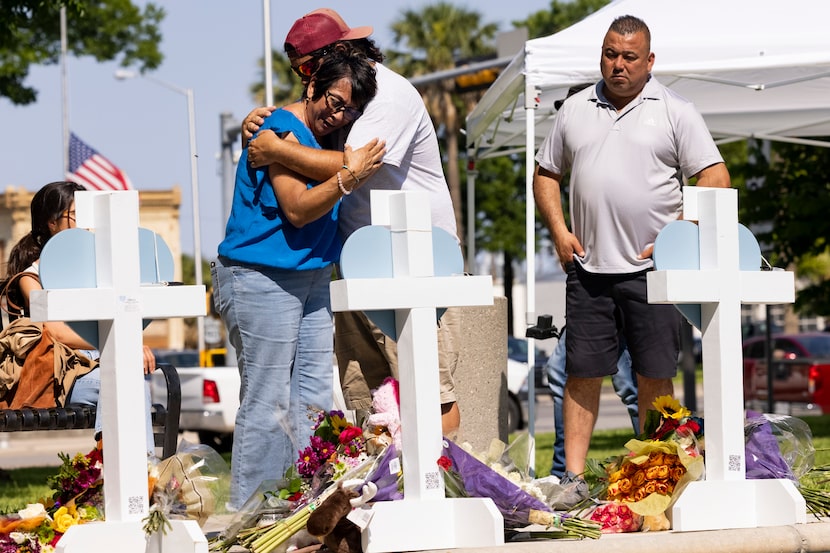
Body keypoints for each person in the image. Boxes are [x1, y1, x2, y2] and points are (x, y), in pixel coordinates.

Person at [241, 8, 463, 437]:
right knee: (373, 399)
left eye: (308, 66)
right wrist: (259, 122)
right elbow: (303, 132)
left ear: (338, 52)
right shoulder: (340, 99)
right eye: (299, 71)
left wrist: (275, 149)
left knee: (430, 393)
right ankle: (387, 493)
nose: (305, 78)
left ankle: (442, 485)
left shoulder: (387, 96)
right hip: (360, 261)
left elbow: (352, 165)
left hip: (415, 260)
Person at [533, 15, 731, 488]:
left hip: (653, 273)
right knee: (581, 376)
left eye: (629, 57)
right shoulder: (574, 108)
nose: (618, 65)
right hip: (588, 270)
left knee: (654, 377)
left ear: (649, 61)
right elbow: (546, 173)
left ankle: (658, 479)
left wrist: (677, 235)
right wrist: (560, 232)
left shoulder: (675, 110)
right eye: (610, 54)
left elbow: (716, 178)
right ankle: (573, 482)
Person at [212, 45, 384, 510]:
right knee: (268, 402)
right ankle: (252, 515)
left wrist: (345, 161)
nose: (339, 114)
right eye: (333, 101)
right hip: (260, 278)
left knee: (311, 400)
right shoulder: (281, 129)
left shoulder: (314, 138)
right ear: (312, 86)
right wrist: (349, 173)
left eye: (350, 109)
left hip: (311, 279)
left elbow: (365, 158)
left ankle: (304, 508)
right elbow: (298, 209)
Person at [0, 181, 157, 454]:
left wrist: (125, 344)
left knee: (127, 380)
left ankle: (130, 475)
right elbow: (56, 332)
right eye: (77, 214)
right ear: (52, 222)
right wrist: (122, 344)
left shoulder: (98, 273)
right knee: (123, 381)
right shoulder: (31, 278)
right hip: (65, 373)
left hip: (100, 364)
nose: (86, 223)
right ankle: (136, 474)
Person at [545, 327, 637, 478]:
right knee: (560, 372)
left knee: (628, 383)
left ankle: (654, 465)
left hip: (622, 310)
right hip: (589, 308)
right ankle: (564, 473)